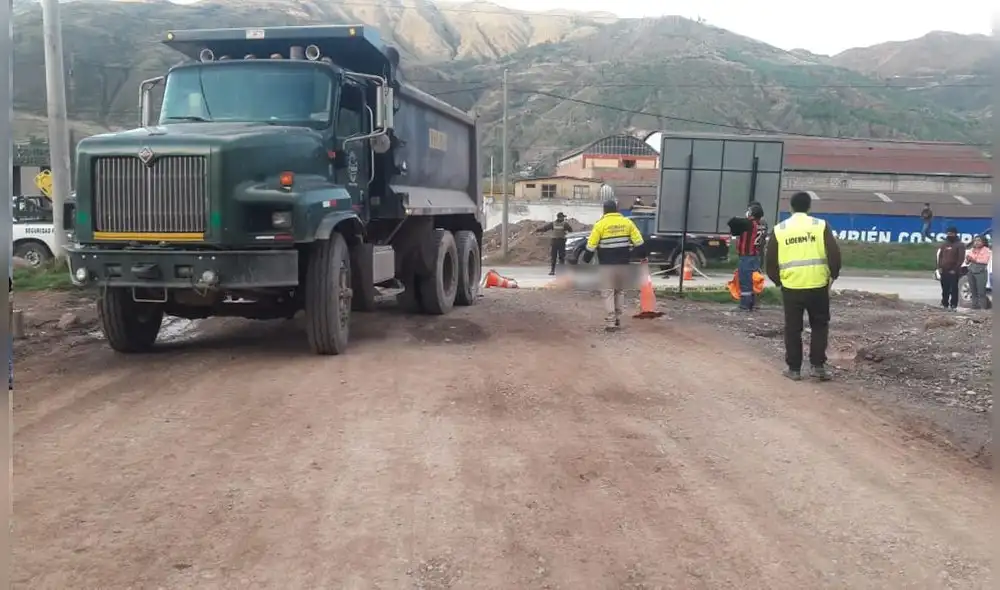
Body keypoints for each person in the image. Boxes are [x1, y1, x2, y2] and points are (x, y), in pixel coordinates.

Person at [765, 191, 842, 382]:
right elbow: (834, 253)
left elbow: (770, 261)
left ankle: (794, 369)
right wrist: (833, 275)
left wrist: (778, 281)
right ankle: (817, 367)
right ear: (809, 207)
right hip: (818, 285)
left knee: (793, 328)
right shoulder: (820, 226)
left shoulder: (780, 229)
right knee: (819, 325)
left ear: (791, 207)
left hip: (791, 286)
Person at [583, 199, 645, 331]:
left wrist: (586, 260)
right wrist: (638, 255)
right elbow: (639, 243)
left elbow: (591, 246)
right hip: (623, 264)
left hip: (607, 265)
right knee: (620, 291)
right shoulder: (627, 222)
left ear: (604, 210)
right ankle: (618, 319)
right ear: (616, 209)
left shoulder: (600, 225)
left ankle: (610, 323)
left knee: (608, 293)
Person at [727, 201, 769, 311]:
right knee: (754, 281)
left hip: (746, 256)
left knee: (745, 281)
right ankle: (753, 304)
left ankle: (744, 306)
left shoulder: (749, 223)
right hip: (756, 255)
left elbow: (731, 222)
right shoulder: (763, 224)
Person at [936, 227, 966, 311]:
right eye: (948, 233)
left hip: (954, 271)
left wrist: (955, 269)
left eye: (952, 234)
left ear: (955, 234)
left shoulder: (960, 245)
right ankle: (944, 303)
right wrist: (939, 267)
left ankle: (953, 305)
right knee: (945, 288)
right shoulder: (944, 244)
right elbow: (940, 256)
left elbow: (960, 259)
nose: (950, 235)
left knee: (953, 288)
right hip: (944, 270)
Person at [965, 234, 991, 310]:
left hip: (981, 272)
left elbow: (984, 261)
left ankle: (983, 308)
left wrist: (973, 260)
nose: (976, 242)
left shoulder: (987, 250)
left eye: (979, 240)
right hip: (971, 271)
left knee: (981, 292)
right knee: (973, 291)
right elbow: (966, 262)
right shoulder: (972, 250)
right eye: (975, 240)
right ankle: (974, 307)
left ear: (983, 242)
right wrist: (967, 259)